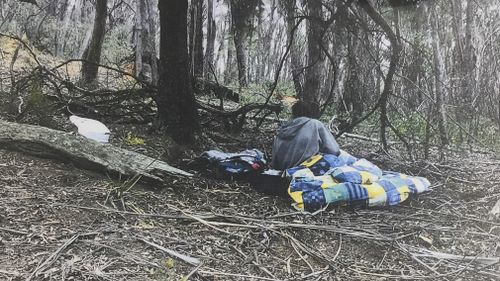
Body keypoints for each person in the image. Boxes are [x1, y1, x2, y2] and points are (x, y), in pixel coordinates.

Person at [271, 101, 340, 170]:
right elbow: (334, 150)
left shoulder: (283, 129)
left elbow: (274, 162)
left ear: (293, 113)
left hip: (284, 173)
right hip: (307, 172)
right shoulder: (315, 124)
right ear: (309, 112)